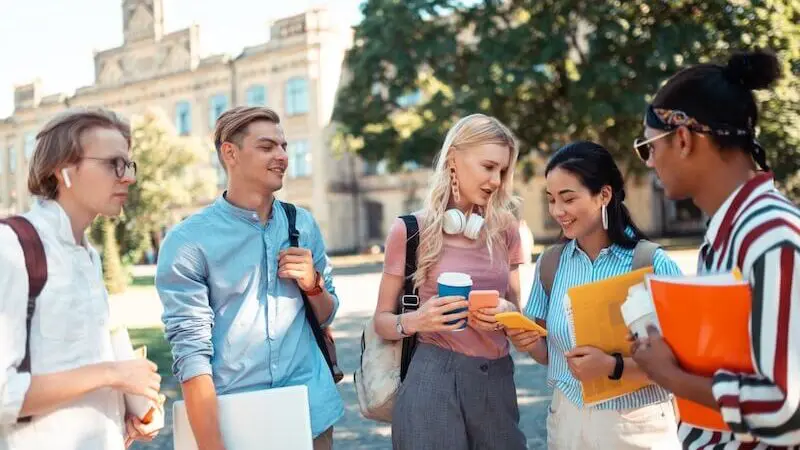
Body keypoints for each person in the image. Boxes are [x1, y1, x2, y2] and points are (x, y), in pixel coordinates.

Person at [630, 50, 800, 449]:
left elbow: (787, 409)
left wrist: (671, 377)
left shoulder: (770, 236)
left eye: (649, 147)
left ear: (684, 139)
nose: (650, 163)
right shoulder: (727, 233)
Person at [156, 106, 343, 450]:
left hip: (310, 414)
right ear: (230, 153)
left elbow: (327, 315)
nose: (283, 156)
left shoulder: (302, 224)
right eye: (267, 146)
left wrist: (312, 284)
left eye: (284, 146)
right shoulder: (189, 242)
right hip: (237, 422)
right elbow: (191, 356)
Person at [0, 109, 163, 449]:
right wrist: (114, 374)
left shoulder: (88, 256)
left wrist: (125, 413)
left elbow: (75, 369)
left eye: (129, 165)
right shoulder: (13, 247)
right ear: (64, 171)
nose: (128, 177)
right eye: (113, 164)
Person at [507, 141, 683, 449]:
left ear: (604, 194)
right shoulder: (551, 264)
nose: (557, 211)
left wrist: (612, 366)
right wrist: (527, 341)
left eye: (568, 198)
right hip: (567, 423)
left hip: (636, 427)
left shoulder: (652, 264)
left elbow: (681, 362)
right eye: (551, 200)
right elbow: (550, 355)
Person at [372, 113, 528, 449]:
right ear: (454, 158)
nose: (497, 180)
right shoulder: (410, 231)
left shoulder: (506, 230)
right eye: (488, 167)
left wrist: (507, 311)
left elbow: (520, 314)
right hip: (432, 377)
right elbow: (381, 322)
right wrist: (417, 319)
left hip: (496, 380)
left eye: (502, 170)